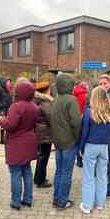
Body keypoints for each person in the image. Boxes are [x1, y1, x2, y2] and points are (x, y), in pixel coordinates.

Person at [0, 81, 38, 210]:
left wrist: (2, 121)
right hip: (29, 142)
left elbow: (11, 126)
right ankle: (28, 199)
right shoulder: (34, 106)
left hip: (16, 144)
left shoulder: (15, 107)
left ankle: (16, 201)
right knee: (27, 171)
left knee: (16, 173)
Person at [79, 86, 110, 214]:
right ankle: (100, 204)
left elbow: (84, 133)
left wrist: (81, 148)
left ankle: (87, 205)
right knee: (102, 176)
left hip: (91, 145)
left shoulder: (89, 112)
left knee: (89, 176)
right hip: (104, 147)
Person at [51, 73, 81, 210]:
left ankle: (56, 198)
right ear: (69, 85)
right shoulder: (71, 100)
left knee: (59, 171)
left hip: (58, 142)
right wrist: (77, 138)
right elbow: (76, 122)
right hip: (69, 142)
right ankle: (63, 201)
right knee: (66, 173)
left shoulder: (55, 99)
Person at [33, 81, 53, 188]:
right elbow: (51, 118)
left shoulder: (37, 100)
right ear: (46, 90)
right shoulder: (45, 102)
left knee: (40, 156)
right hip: (45, 134)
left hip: (39, 133)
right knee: (44, 157)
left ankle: (37, 178)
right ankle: (41, 180)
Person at [73, 81, 89, 168]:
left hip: (76, 118)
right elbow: (85, 107)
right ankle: (82, 158)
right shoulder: (85, 95)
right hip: (83, 118)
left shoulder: (74, 94)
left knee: (77, 140)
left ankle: (78, 160)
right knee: (83, 139)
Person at [0, 77, 13, 145]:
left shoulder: (8, 90)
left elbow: (10, 100)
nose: (9, 83)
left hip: (6, 110)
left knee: (3, 126)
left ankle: (2, 140)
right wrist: (1, 105)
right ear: (4, 82)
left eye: (10, 82)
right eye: (8, 81)